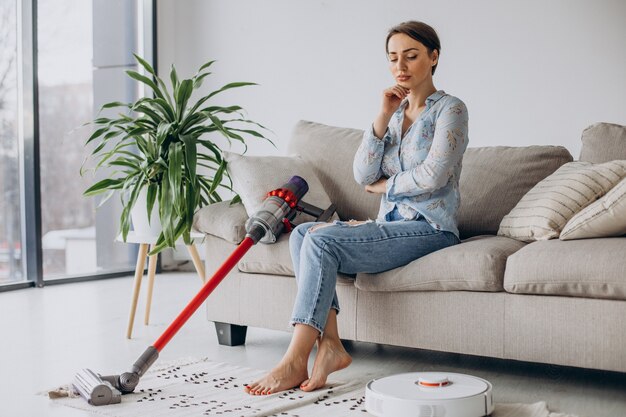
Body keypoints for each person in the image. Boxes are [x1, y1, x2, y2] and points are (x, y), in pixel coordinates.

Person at [244, 20, 469, 396]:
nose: (401, 66)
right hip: (390, 225)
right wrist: (382, 116)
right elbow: (362, 172)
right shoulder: (395, 115)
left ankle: (295, 358)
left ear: (433, 57)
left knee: (321, 241)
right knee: (302, 233)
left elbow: (433, 175)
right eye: (393, 58)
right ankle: (330, 345)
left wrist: (386, 186)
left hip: (432, 229)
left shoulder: (452, 110)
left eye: (411, 56)